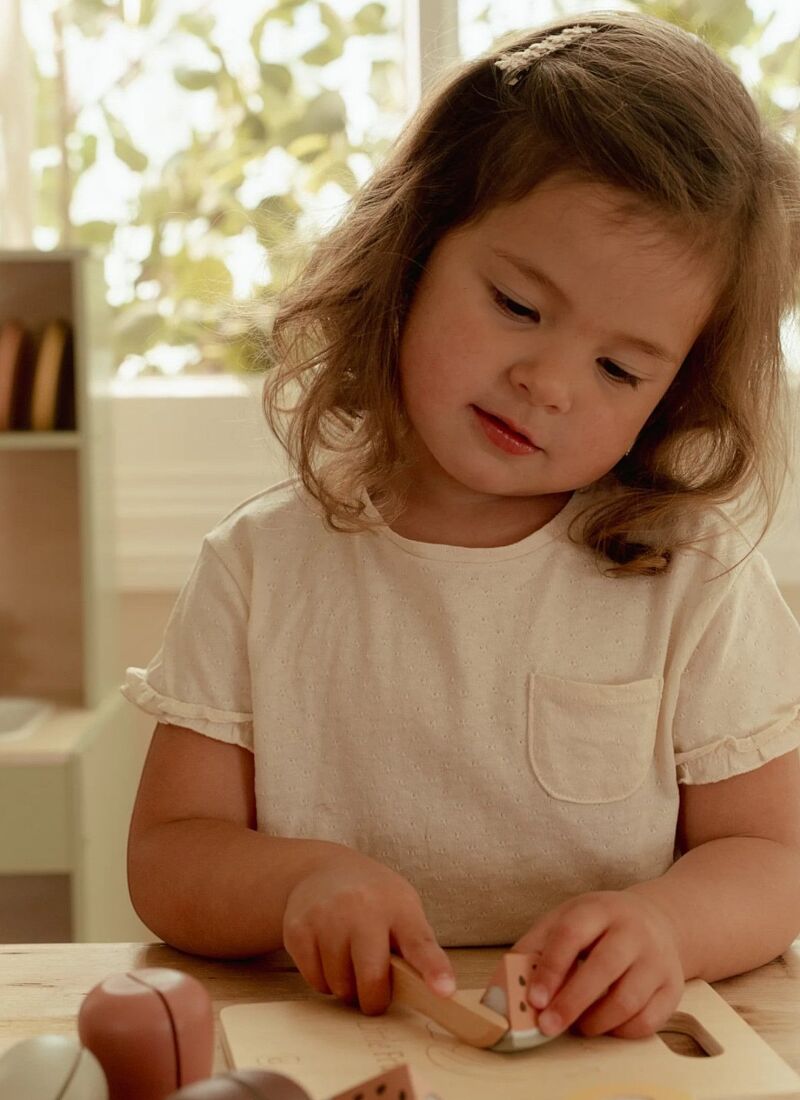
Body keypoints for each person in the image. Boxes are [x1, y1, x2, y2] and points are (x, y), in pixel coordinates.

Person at [122, 10, 800, 1042]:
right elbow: (170, 854)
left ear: (675, 394)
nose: (548, 382)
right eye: (518, 305)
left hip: (604, 1064)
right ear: (410, 252)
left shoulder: (691, 579)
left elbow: (772, 858)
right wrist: (297, 882)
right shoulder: (259, 568)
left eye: (618, 368)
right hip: (330, 1047)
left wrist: (668, 925)